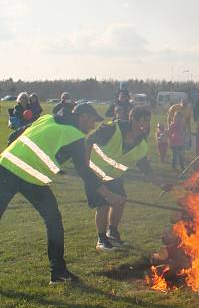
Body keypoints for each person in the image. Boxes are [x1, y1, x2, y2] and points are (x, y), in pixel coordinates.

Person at [0, 103, 124, 284]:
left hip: (8, 169)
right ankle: (58, 272)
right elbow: (85, 172)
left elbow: (13, 135)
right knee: (53, 222)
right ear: (82, 116)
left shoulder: (46, 118)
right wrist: (109, 195)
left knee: (52, 220)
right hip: (26, 176)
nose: (92, 127)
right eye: (91, 122)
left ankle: (59, 272)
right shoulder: (75, 136)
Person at [85, 107, 173, 250]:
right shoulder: (113, 129)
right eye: (145, 120)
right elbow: (89, 139)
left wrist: (161, 184)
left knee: (121, 200)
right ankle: (101, 239)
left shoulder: (142, 144)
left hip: (114, 176)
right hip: (94, 173)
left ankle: (112, 233)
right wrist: (86, 167)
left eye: (149, 120)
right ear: (134, 120)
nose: (148, 123)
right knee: (103, 204)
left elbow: (146, 170)